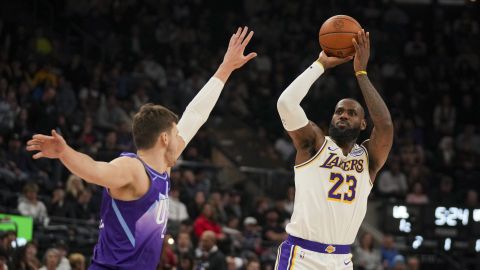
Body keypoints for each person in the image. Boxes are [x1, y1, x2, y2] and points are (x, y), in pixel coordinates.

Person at [26, 26, 257, 270]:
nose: (182, 137)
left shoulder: (164, 165)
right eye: (176, 133)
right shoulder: (133, 169)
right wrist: (65, 152)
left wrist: (226, 68)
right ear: (165, 139)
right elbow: (94, 170)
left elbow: (196, 114)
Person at [275, 29, 393, 270]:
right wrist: (320, 64)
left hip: (341, 259)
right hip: (302, 256)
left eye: (351, 113)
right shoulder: (314, 143)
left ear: (362, 123)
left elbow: (385, 125)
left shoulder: (368, 159)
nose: (343, 115)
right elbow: (286, 104)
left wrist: (361, 73)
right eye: (339, 111)